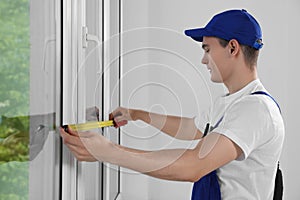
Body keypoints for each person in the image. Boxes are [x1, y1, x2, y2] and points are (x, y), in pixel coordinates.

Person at [60, 9, 285, 199]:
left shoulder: (256, 110)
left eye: (207, 49)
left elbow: (193, 166)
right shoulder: (229, 103)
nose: (204, 59)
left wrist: (108, 152)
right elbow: (191, 128)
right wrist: (137, 114)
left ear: (233, 48)